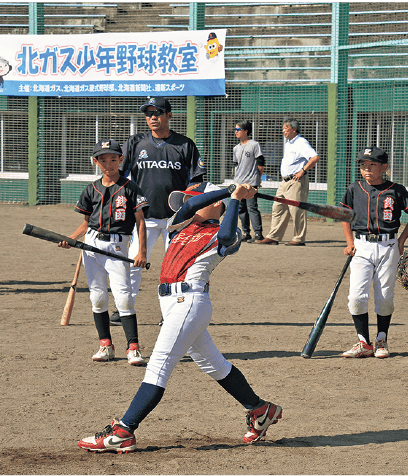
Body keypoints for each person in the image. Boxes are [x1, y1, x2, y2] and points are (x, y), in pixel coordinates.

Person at [78, 183, 282, 453]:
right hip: (172, 304)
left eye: (195, 199)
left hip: (191, 301)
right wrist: (230, 190)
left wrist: (234, 199)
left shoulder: (227, 232)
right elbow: (190, 206)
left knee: (158, 367)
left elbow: (225, 235)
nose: (188, 204)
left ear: (217, 205)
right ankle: (260, 409)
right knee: (213, 364)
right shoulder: (181, 225)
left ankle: (124, 431)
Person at [111, 97, 206, 326]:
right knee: (133, 263)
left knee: (174, 267)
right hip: (143, 217)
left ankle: (172, 312)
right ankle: (124, 308)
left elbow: (197, 181)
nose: (152, 117)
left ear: (169, 115)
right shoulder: (135, 143)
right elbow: (118, 176)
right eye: (148, 114)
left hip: (176, 219)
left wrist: (188, 199)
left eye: (158, 112)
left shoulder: (184, 145)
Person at [58, 139, 148, 366]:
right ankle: (106, 345)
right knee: (97, 297)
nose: (108, 164)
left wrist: (142, 252)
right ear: (96, 162)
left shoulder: (130, 188)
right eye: (103, 159)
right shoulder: (91, 189)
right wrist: (71, 239)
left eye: (113, 159)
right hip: (92, 246)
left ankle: (133, 348)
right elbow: (86, 223)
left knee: (124, 298)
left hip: (118, 245)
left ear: (121, 160)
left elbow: (140, 222)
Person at [339, 147, 408, 358]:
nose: (366, 169)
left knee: (385, 296)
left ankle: (382, 340)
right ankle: (363, 342)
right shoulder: (354, 188)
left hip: (388, 246)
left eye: (372, 165)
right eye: (363, 165)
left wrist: (402, 240)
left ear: (384, 167)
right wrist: (349, 242)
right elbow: (346, 215)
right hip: (361, 245)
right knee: (356, 296)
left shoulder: (396, 190)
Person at [256, 118, 319, 246]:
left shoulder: (301, 142)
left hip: (296, 181)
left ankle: (298, 239)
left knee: (296, 210)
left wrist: (302, 171)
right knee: (278, 207)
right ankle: (273, 237)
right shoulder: (289, 143)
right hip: (284, 182)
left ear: (294, 129)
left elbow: (314, 157)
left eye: (286, 127)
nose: (283, 130)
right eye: (283, 127)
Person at [233, 119, 265, 242]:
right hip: (239, 182)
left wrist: (258, 178)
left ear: (246, 131)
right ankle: (246, 233)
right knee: (241, 209)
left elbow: (260, 163)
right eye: (235, 129)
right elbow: (236, 165)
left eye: (238, 129)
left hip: (251, 182)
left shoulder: (254, 145)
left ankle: (258, 234)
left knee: (252, 208)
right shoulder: (236, 148)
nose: (235, 132)